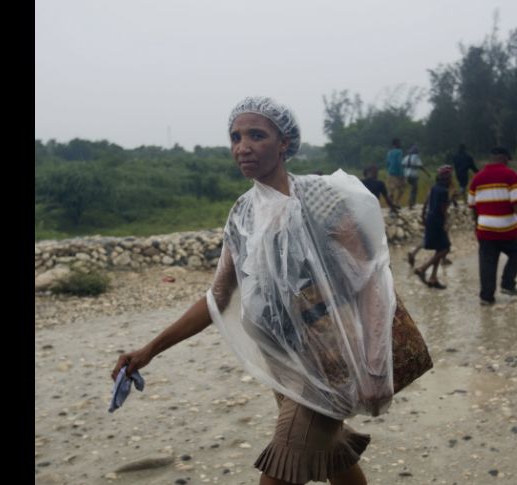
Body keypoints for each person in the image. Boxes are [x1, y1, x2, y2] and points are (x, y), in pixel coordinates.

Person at [111, 97, 395, 485]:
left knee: (283, 464)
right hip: (281, 361)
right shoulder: (243, 213)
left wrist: (376, 365)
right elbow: (218, 297)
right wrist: (150, 350)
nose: (242, 146)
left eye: (256, 135)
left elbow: (370, 280)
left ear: (284, 142)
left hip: (331, 359)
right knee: (332, 455)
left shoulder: (318, 197)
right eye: (235, 136)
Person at [468, 147, 517, 305]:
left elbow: (472, 206)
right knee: (516, 252)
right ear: (505, 158)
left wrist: (477, 225)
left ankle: (486, 298)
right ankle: (508, 284)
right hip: (507, 228)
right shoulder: (510, 175)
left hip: (485, 228)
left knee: (487, 262)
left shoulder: (477, 178)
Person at [413, 166, 454, 289]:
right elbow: (443, 209)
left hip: (431, 219)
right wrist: (446, 223)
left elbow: (427, 203)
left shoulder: (434, 188)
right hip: (437, 221)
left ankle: (433, 278)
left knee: (439, 248)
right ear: (448, 178)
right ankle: (423, 268)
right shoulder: (444, 191)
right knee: (445, 248)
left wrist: (423, 215)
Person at [386, 138, 405, 206]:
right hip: (398, 174)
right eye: (399, 143)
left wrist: (388, 171)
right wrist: (402, 174)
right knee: (401, 190)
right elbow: (399, 162)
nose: (400, 144)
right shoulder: (399, 151)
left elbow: (387, 163)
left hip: (390, 173)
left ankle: (391, 205)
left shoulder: (389, 152)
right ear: (396, 144)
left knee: (391, 191)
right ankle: (396, 202)